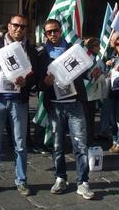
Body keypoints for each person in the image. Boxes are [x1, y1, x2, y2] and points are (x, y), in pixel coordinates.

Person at [0, 14, 37, 197]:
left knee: (20, 143)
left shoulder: (31, 49)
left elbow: (35, 75)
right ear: (9, 26)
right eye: (15, 25)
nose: (18, 29)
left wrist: (26, 81)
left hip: (19, 101)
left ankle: (21, 180)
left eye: (22, 26)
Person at [39, 19, 95, 200]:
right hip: (55, 104)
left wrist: (91, 74)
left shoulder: (73, 49)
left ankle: (83, 182)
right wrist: (43, 82)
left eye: (55, 30)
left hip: (75, 103)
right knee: (57, 145)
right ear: (45, 34)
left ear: (61, 30)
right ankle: (60, 178)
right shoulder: (41, 53)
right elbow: (36, 79)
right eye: (49, 32)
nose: (52, 34)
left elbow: (84, 70)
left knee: (80, 144)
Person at [83, 37, 104, 146]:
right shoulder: (86, 58)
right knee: (86, 119)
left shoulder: (98, 58)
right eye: (96, 45)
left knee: (91, 118)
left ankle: (90, 139)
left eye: (99, 45)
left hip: (94, 93)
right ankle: (86, 141)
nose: (99, 47)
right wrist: (93, 75)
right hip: (86, 93)